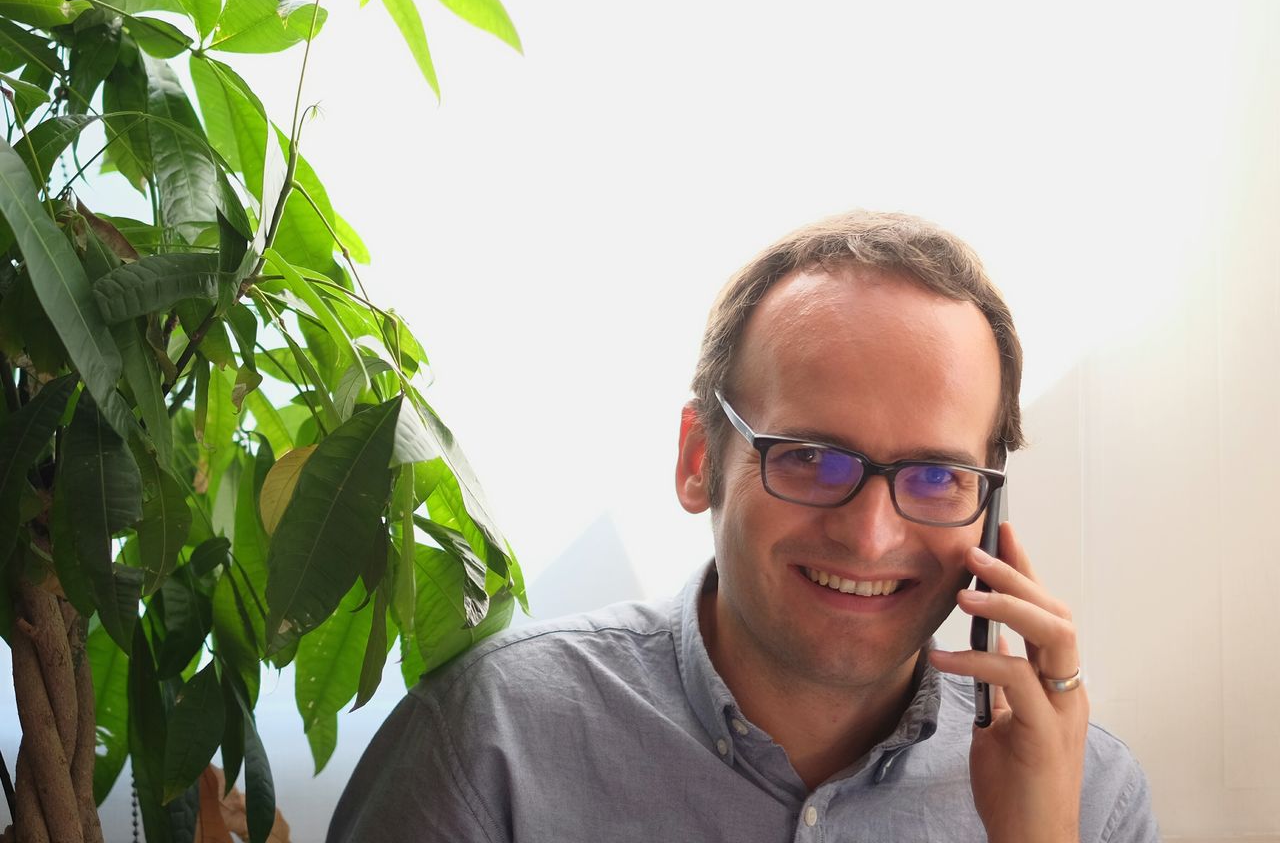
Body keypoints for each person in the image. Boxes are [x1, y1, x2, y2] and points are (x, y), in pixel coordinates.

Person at [327, 211, 1159, 842]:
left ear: (991, 502)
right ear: (699, 459)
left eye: (936, 476)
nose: (870, 536)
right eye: (810, 458)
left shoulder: (1089, 797)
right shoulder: (487, 745)